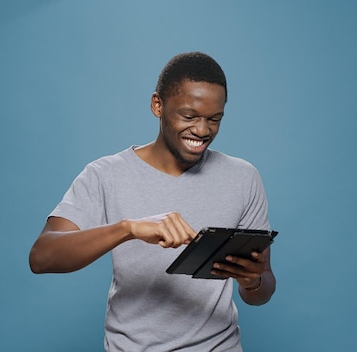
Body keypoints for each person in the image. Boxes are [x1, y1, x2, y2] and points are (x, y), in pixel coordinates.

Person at [29, 51, 276, 351]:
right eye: (189, 116)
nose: (202, 130)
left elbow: (262, 292)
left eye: (214, 119)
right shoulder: (105, 174)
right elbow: (41, 257)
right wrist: (129, 229)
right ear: (157, 105)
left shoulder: (243, 177)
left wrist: (252, 282)